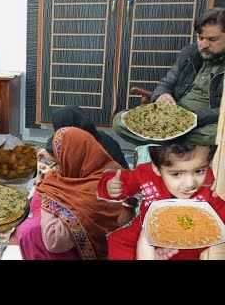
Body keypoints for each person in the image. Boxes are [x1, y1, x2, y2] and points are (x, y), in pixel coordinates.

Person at [113, 7, 225, 146]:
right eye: (200, 38)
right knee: (120, 121)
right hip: (173, 116)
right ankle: (170, 139)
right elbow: (166, 83)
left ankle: (164, 139)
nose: (203, 45)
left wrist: (193, 118)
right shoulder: (190, 52)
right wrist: (161, 95)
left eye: (212, 39)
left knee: (216, 135)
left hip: (206, 122)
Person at [97, 144, 225, 260]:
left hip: (189, 240)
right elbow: (125, 181)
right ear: (157, 168)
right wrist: (111, 185)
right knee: (117, 240)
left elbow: (220, 216)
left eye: (199, 171)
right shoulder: (145, 173)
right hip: (145, 229)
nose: (190, 183)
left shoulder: (213, 183)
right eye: (176, 174)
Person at [18, 127, 124, 260]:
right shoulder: (100, 167)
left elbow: (54, 241)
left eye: (59, 163)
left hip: (96, 252)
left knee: (30, 232)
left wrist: (48, 190)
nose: (57, 169)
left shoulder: (97, 193)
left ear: (73, 160)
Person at [38, 105, 129, 169]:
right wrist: (47, 152)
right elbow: (53, 146)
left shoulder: (93, 146)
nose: (59, 134)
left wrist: (53, 159)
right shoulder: (84, 133)